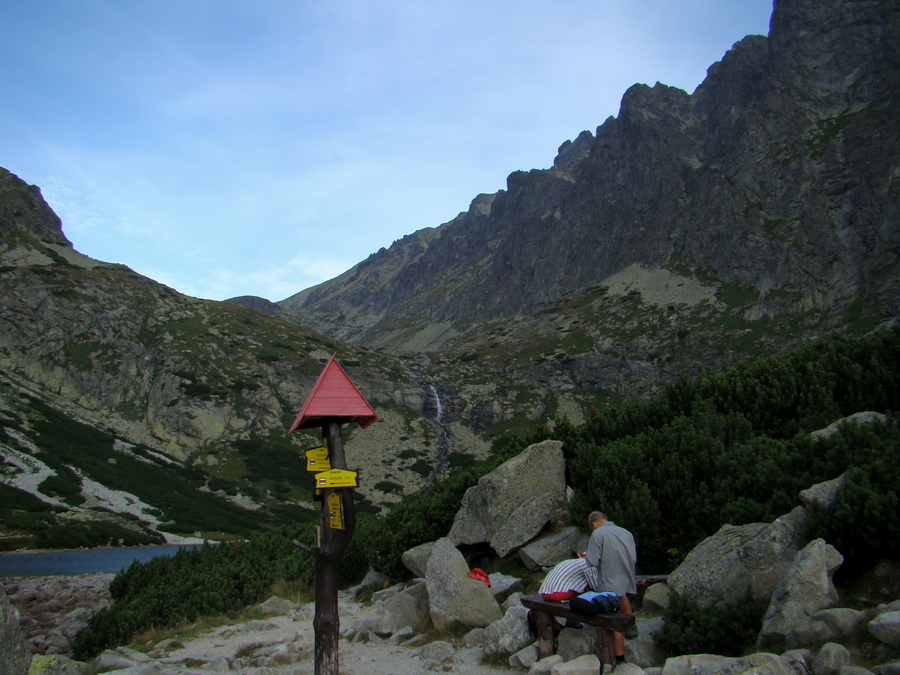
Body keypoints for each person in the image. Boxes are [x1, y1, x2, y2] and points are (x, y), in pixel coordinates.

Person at [584, 511, 637, 664]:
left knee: (612, 619)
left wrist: (586, 556)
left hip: (609, 580)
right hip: (626, 576)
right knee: (622, 596)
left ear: (594, 524)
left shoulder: (598, 534)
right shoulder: (626, 532)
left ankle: (619, 657)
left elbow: (592, 562)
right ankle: (631, 625)